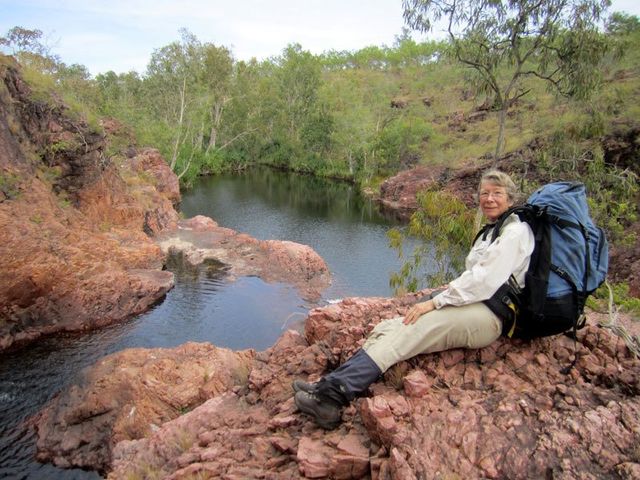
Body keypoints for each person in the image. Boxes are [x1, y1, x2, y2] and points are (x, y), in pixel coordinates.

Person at [293, 169, 535, 429]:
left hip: (489, 317)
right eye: (484, 193)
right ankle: (327, 385)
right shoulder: (494, 231)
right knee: (387, 327)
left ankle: (331, 400)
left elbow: (483, 281)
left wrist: (434, 302)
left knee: (411, 329)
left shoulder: (515, 233)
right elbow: (476, 278)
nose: (488, 199)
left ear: (510, 199)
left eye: (497, 194)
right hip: (475, 305)